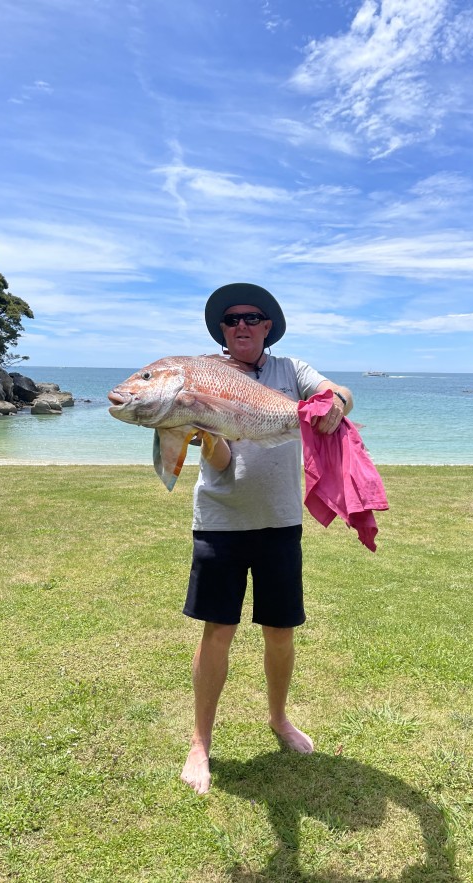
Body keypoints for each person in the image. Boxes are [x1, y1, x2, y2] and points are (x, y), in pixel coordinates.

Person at [180, 282, 353, 795]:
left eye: (252, 318)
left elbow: (337, 391)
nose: (242, 326)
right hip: (220, 522)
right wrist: (208, 438)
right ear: (222, 330)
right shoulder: (205, 377)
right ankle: (199, 743)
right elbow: (223, 466)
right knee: (218, 631)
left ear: (268, 327)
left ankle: (279, 718)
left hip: (280, 521)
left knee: (280, 631)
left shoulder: (291, 371)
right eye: (232, 319)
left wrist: (337, 405)